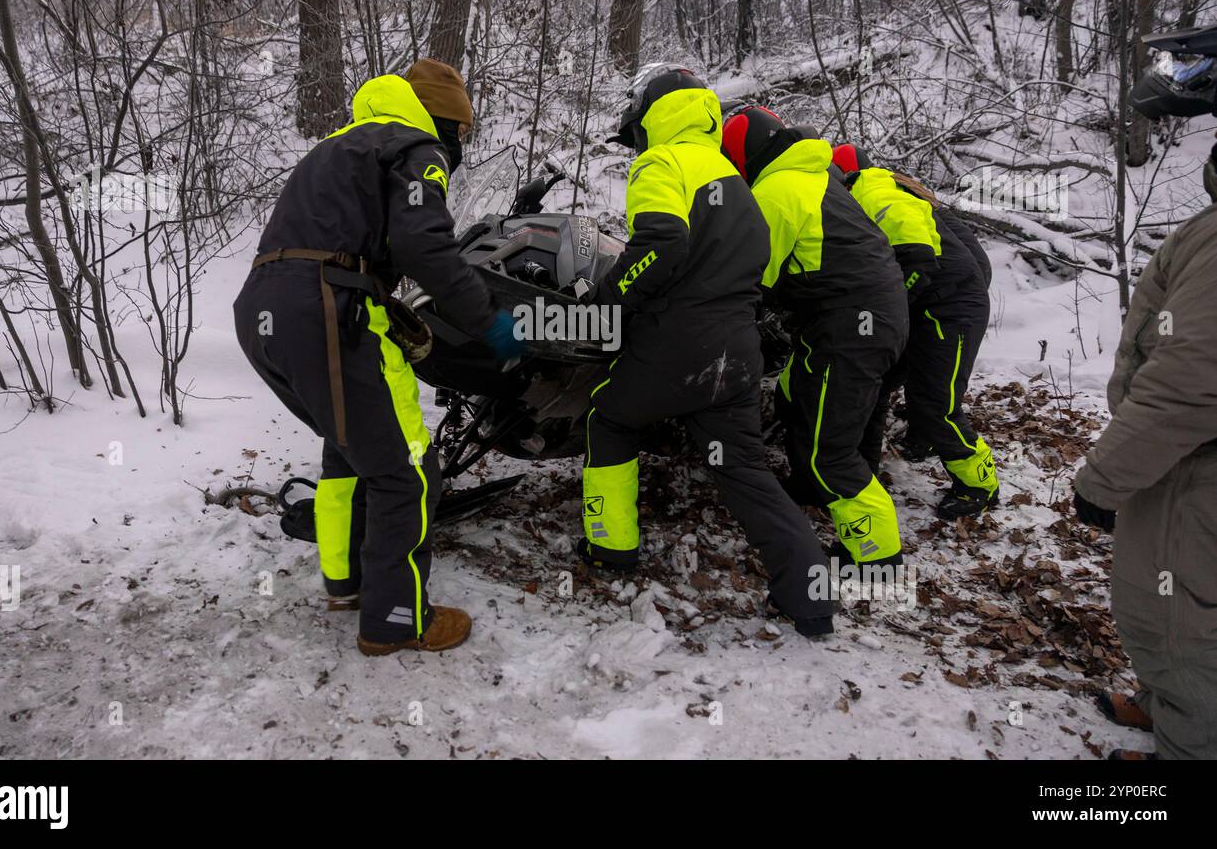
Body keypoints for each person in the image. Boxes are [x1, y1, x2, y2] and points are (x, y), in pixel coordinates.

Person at [234, 58, 522, 657]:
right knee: (408, 473)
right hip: (323, 309)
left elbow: (334, 241)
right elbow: (425, 243)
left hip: (264, 310)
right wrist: (490, 322)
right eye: (460, 133)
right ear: (445, 122)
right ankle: (395, 620)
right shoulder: (417, 146)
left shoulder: (336, 148)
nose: (458, 145)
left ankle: (346, 584)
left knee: (350, 449)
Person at [578, 66, 835, 636]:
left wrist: (608, 299)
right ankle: (810, 596)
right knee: (742, 468)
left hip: (676, 342)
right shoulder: (733, 175)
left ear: (649, 115)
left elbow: (659, 244)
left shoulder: (661, 163)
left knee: (610, 420)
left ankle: (611, 548)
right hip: (736, 346)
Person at [1074, 28, 1217, 758]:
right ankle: (1169, 707)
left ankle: (1189, 750)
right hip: (1177, 463)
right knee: (1175, 600)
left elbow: (1194, 375)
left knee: (1178, 613)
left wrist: (1106, 476)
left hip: (1193, 464)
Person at [721, 105, 908, 567]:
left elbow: (750, 277)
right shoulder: (812, 176)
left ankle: (877, 557)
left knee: (831, 450)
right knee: (794, 398)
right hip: (857, 319)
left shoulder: (778, 189)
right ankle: (809, 486)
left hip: (850, 328)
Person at [833, 145, 999, 518]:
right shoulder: (906, 191)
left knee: (937, 404)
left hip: (948, 309)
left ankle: (979, 484)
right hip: (934, 307)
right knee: (875, 385)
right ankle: (873, 465)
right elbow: (978, 262)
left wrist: (896, 306)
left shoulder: (874, 192)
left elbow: (922, 263)